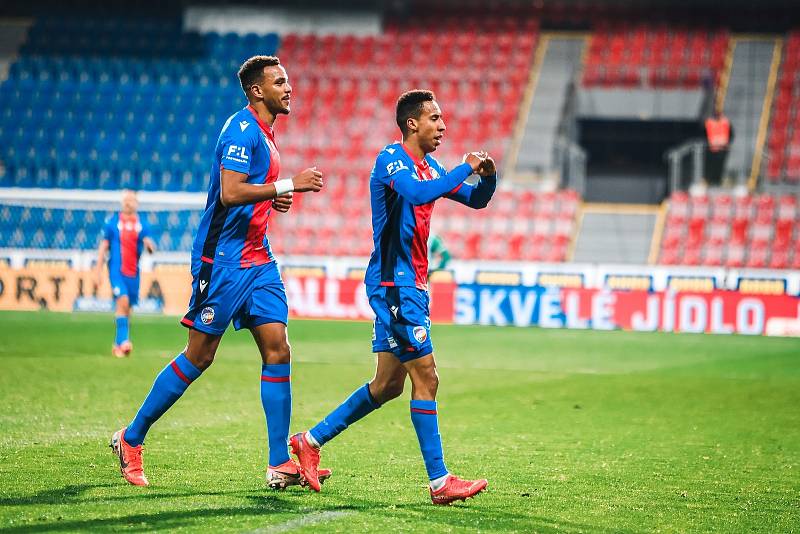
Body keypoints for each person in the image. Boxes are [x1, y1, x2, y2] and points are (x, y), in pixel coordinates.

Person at [110, 55, 330, 490]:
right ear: (256, 91)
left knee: (278, 348)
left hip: (258, 257)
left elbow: (249, 192)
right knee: (200, 354)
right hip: (222, 259)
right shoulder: (241, 129)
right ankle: (131, 439)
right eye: (279, 82)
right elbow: (229, 193)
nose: (289, 88)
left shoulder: (268, 135)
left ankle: (277, 463)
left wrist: (272, 201)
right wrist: (288, 186)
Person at [289, 90, 497, 505]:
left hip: (409, 285)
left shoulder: (429, 166)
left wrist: (487, 177)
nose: (443, 126)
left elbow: (473, 199)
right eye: (435, 119)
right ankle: (440, 482)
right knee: (428, 377)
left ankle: (309, 442)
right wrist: (465, 166)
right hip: (394, 286)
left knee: (387, 386)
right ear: (412, 124)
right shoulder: (391, 159)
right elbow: (420, 195)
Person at [94, 190, 156, 358]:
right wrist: (97, 271)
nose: (129, 203)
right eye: (126, 200)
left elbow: (151, 246)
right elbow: (103, 248)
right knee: (123, 301)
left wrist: (149, 246)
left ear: (136, 203)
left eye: (132, 200)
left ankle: (117, 345)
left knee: (127, 308)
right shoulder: (112, 222)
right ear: (122, 202)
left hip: (134, 273)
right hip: (116, 271)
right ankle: (124, 341)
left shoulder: (142, 224)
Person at [704, 105, 734, 185]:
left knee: (721, 166)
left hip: (722, 148)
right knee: (712, 166)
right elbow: (705, 134)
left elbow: (731, 134)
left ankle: (718, 180)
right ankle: (711, 180)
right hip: (712, 148)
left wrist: (727, 143)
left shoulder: (725, 122)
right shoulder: (709, 122)